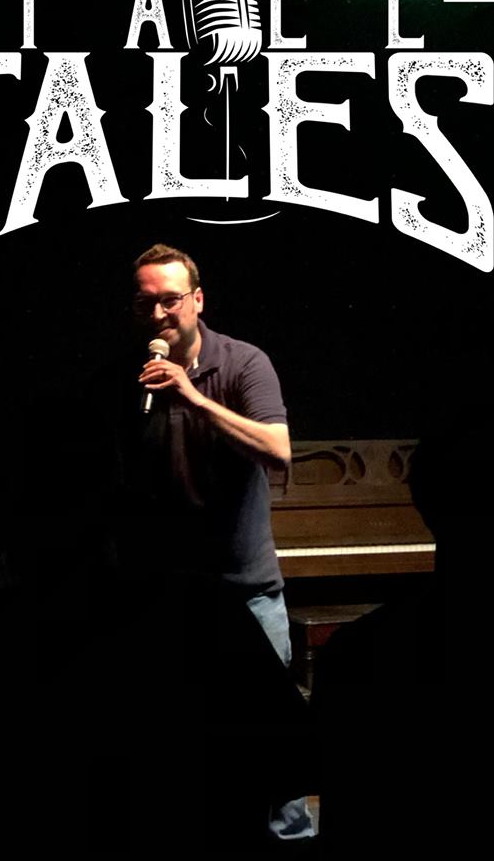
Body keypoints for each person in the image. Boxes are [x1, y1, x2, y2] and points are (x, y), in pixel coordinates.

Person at [112, 243, 314, 845]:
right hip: (169, 596)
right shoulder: (125, 374)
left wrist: (194, 399)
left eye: (171, 300)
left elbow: (278, 451)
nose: (159, 315)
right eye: (146, 303)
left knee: (271, 754)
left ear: (197, 301)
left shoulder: (242, 363)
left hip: (246, 590)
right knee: (180, 752)